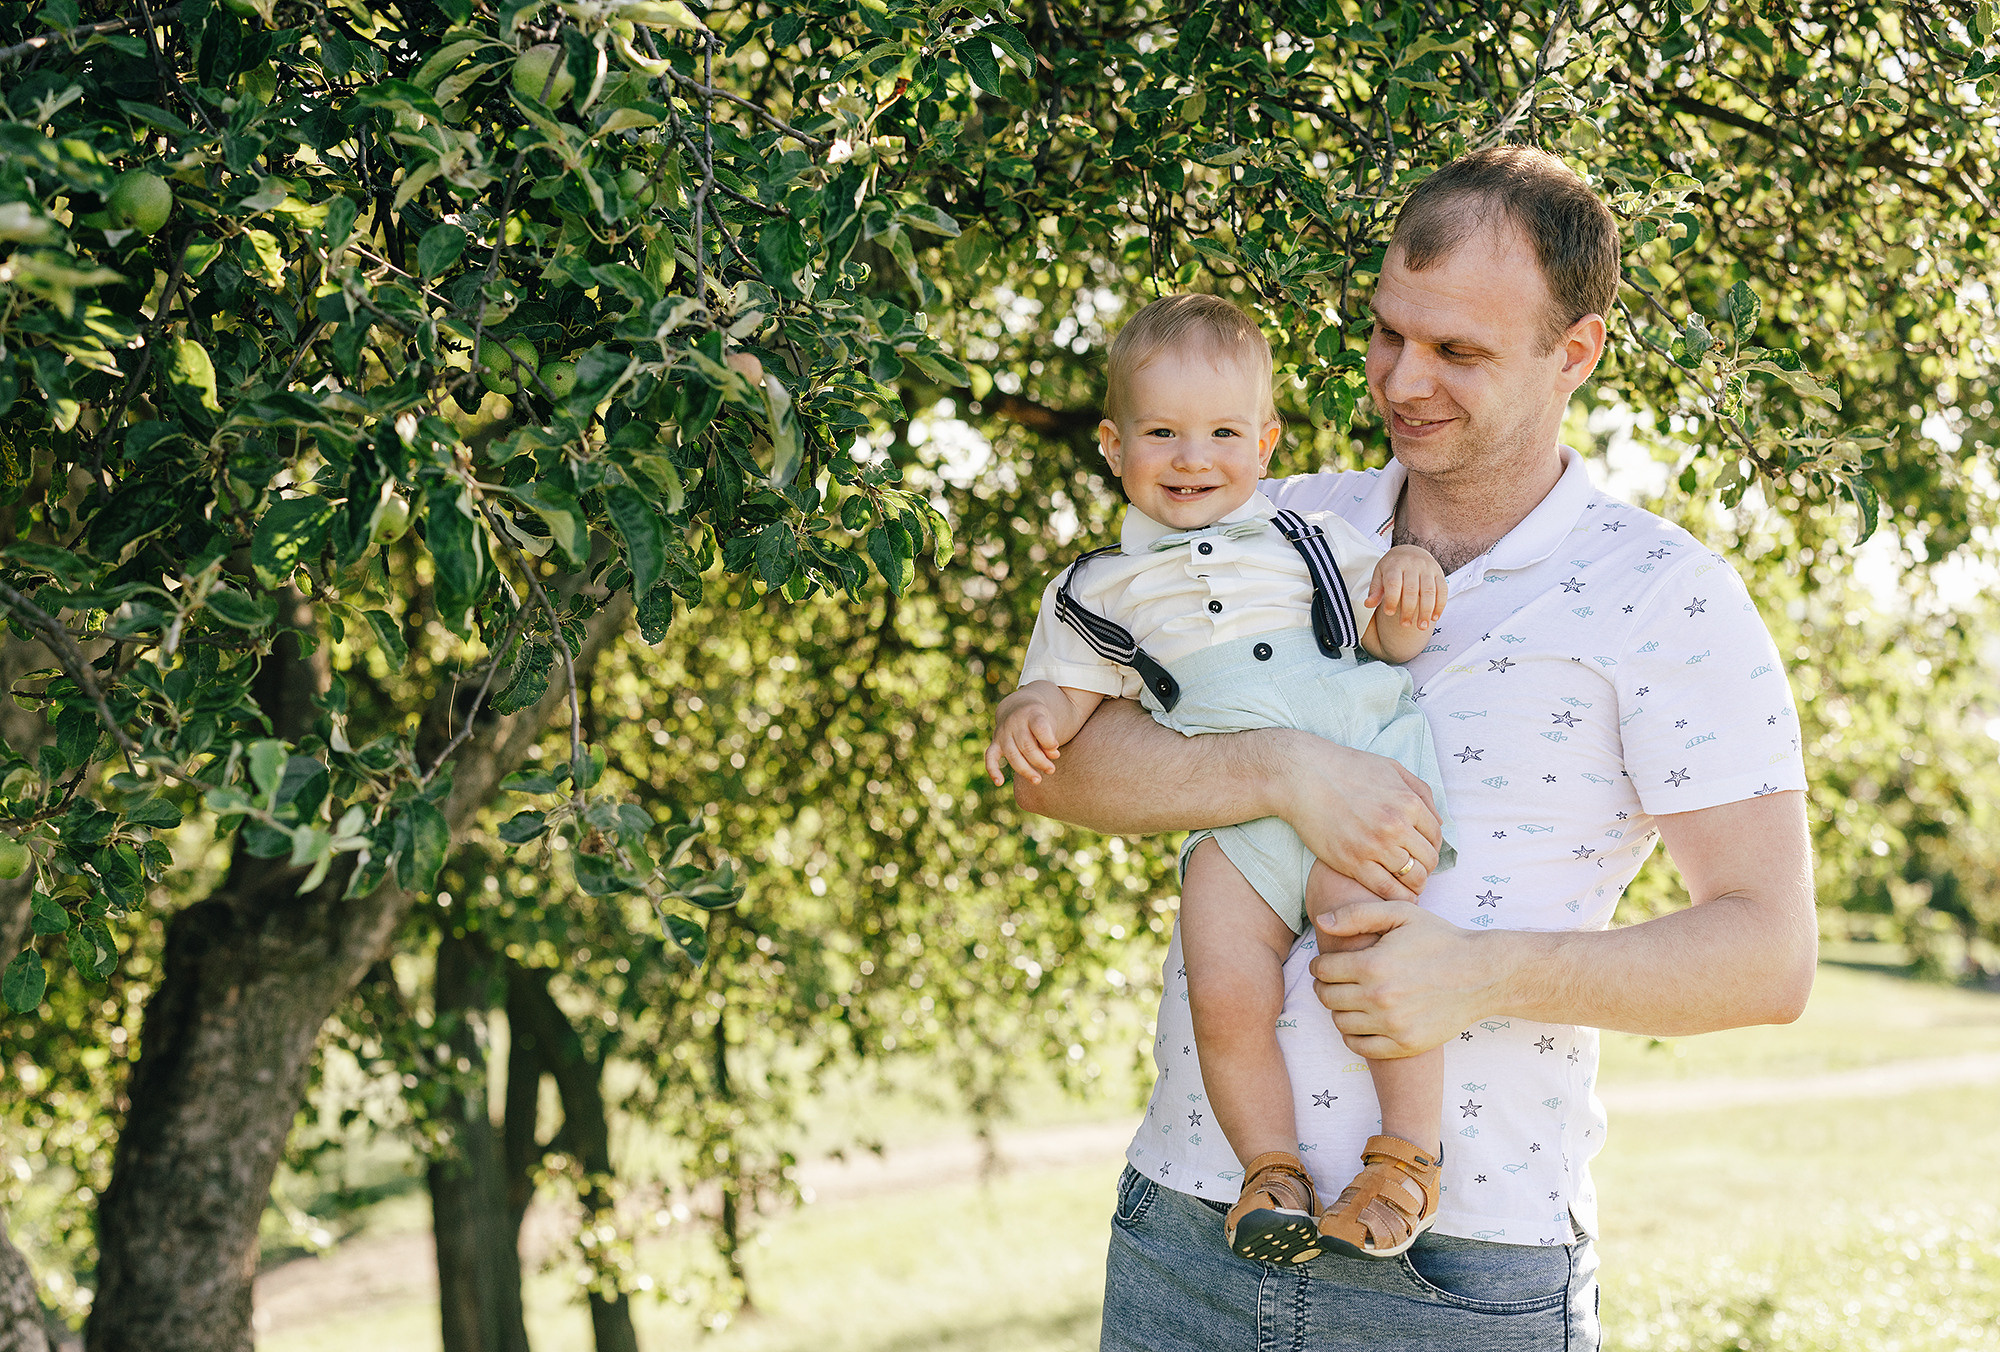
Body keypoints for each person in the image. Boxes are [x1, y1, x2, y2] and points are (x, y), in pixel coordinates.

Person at [1014, 146, 1816, 1351]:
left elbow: (1766, 955)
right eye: (1389, 333)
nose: (1401, 379)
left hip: (1459, 1276)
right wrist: (1278, 769)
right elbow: (1058, 764)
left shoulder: (1666, 598)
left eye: (1458, 351)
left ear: (1575, 353)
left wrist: (1483, 970)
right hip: (1188, 1227)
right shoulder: (1274, 520)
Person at [985, 293, 1463, 1266]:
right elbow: (1063, 698)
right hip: (1234, 823)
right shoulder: (1095, 589)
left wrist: (1409, 581)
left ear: (1264, 442)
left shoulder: (1309, 538)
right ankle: (1270, 1171)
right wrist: (1025, 714)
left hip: (1355, 798)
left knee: (1367, 955)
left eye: (1220, 433)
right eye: (1160, 432)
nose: (1191, 457)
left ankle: (1405, 1153)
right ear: (1113, 445)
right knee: (1223, 989)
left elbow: (1387, 637)